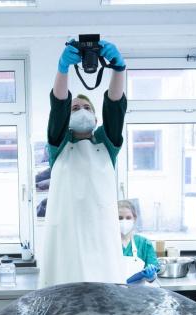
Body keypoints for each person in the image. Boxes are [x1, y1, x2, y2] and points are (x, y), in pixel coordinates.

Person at [38, 38, 128, 288]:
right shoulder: (59, 144)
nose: (81, 110)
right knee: (64, 292)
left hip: (101, 239)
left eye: (87, 107)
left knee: (104, 295)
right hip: (66, 238)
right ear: (67, 118)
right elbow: (58, 104)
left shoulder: (106, 143)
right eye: (75, 108)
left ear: (96, 118)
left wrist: (118, 69)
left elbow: (115, 106)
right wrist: (63, 69)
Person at [118, 200, 159, 284]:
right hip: (113, 291)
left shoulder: (144, 244)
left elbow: (152, 277)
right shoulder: (108, 244)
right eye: (120, 218)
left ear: (134, 218)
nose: (124, 221)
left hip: (138, 291)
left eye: (128, 218)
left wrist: (151, 275)